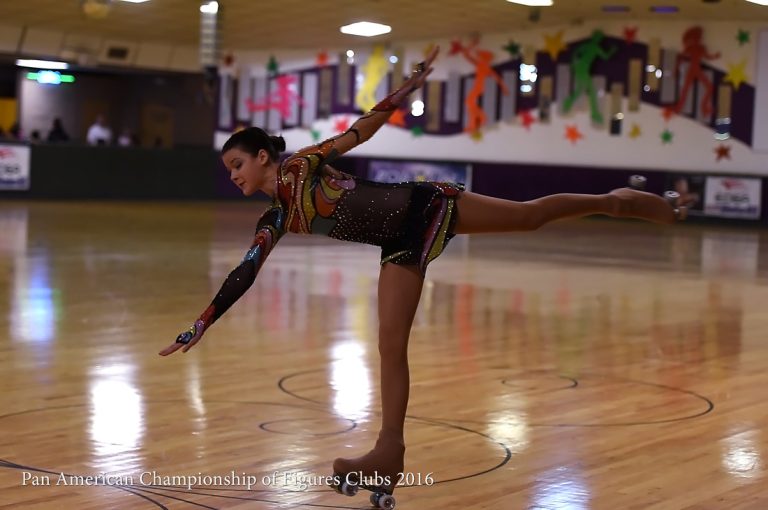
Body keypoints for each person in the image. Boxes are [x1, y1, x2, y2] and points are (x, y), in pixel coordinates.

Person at [158, 46, 682, 503]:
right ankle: (389, 450)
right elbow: (244, 273)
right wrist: (202, 323)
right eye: (228, 169)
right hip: (397, 244)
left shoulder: (300, 167)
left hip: (425, 206)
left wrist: (406, 88)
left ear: (264, 157)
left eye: (237, 164)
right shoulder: (274, 217)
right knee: (389, 344)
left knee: (530, 214)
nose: (233, 176)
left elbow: (359, 130)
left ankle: (621, 202)